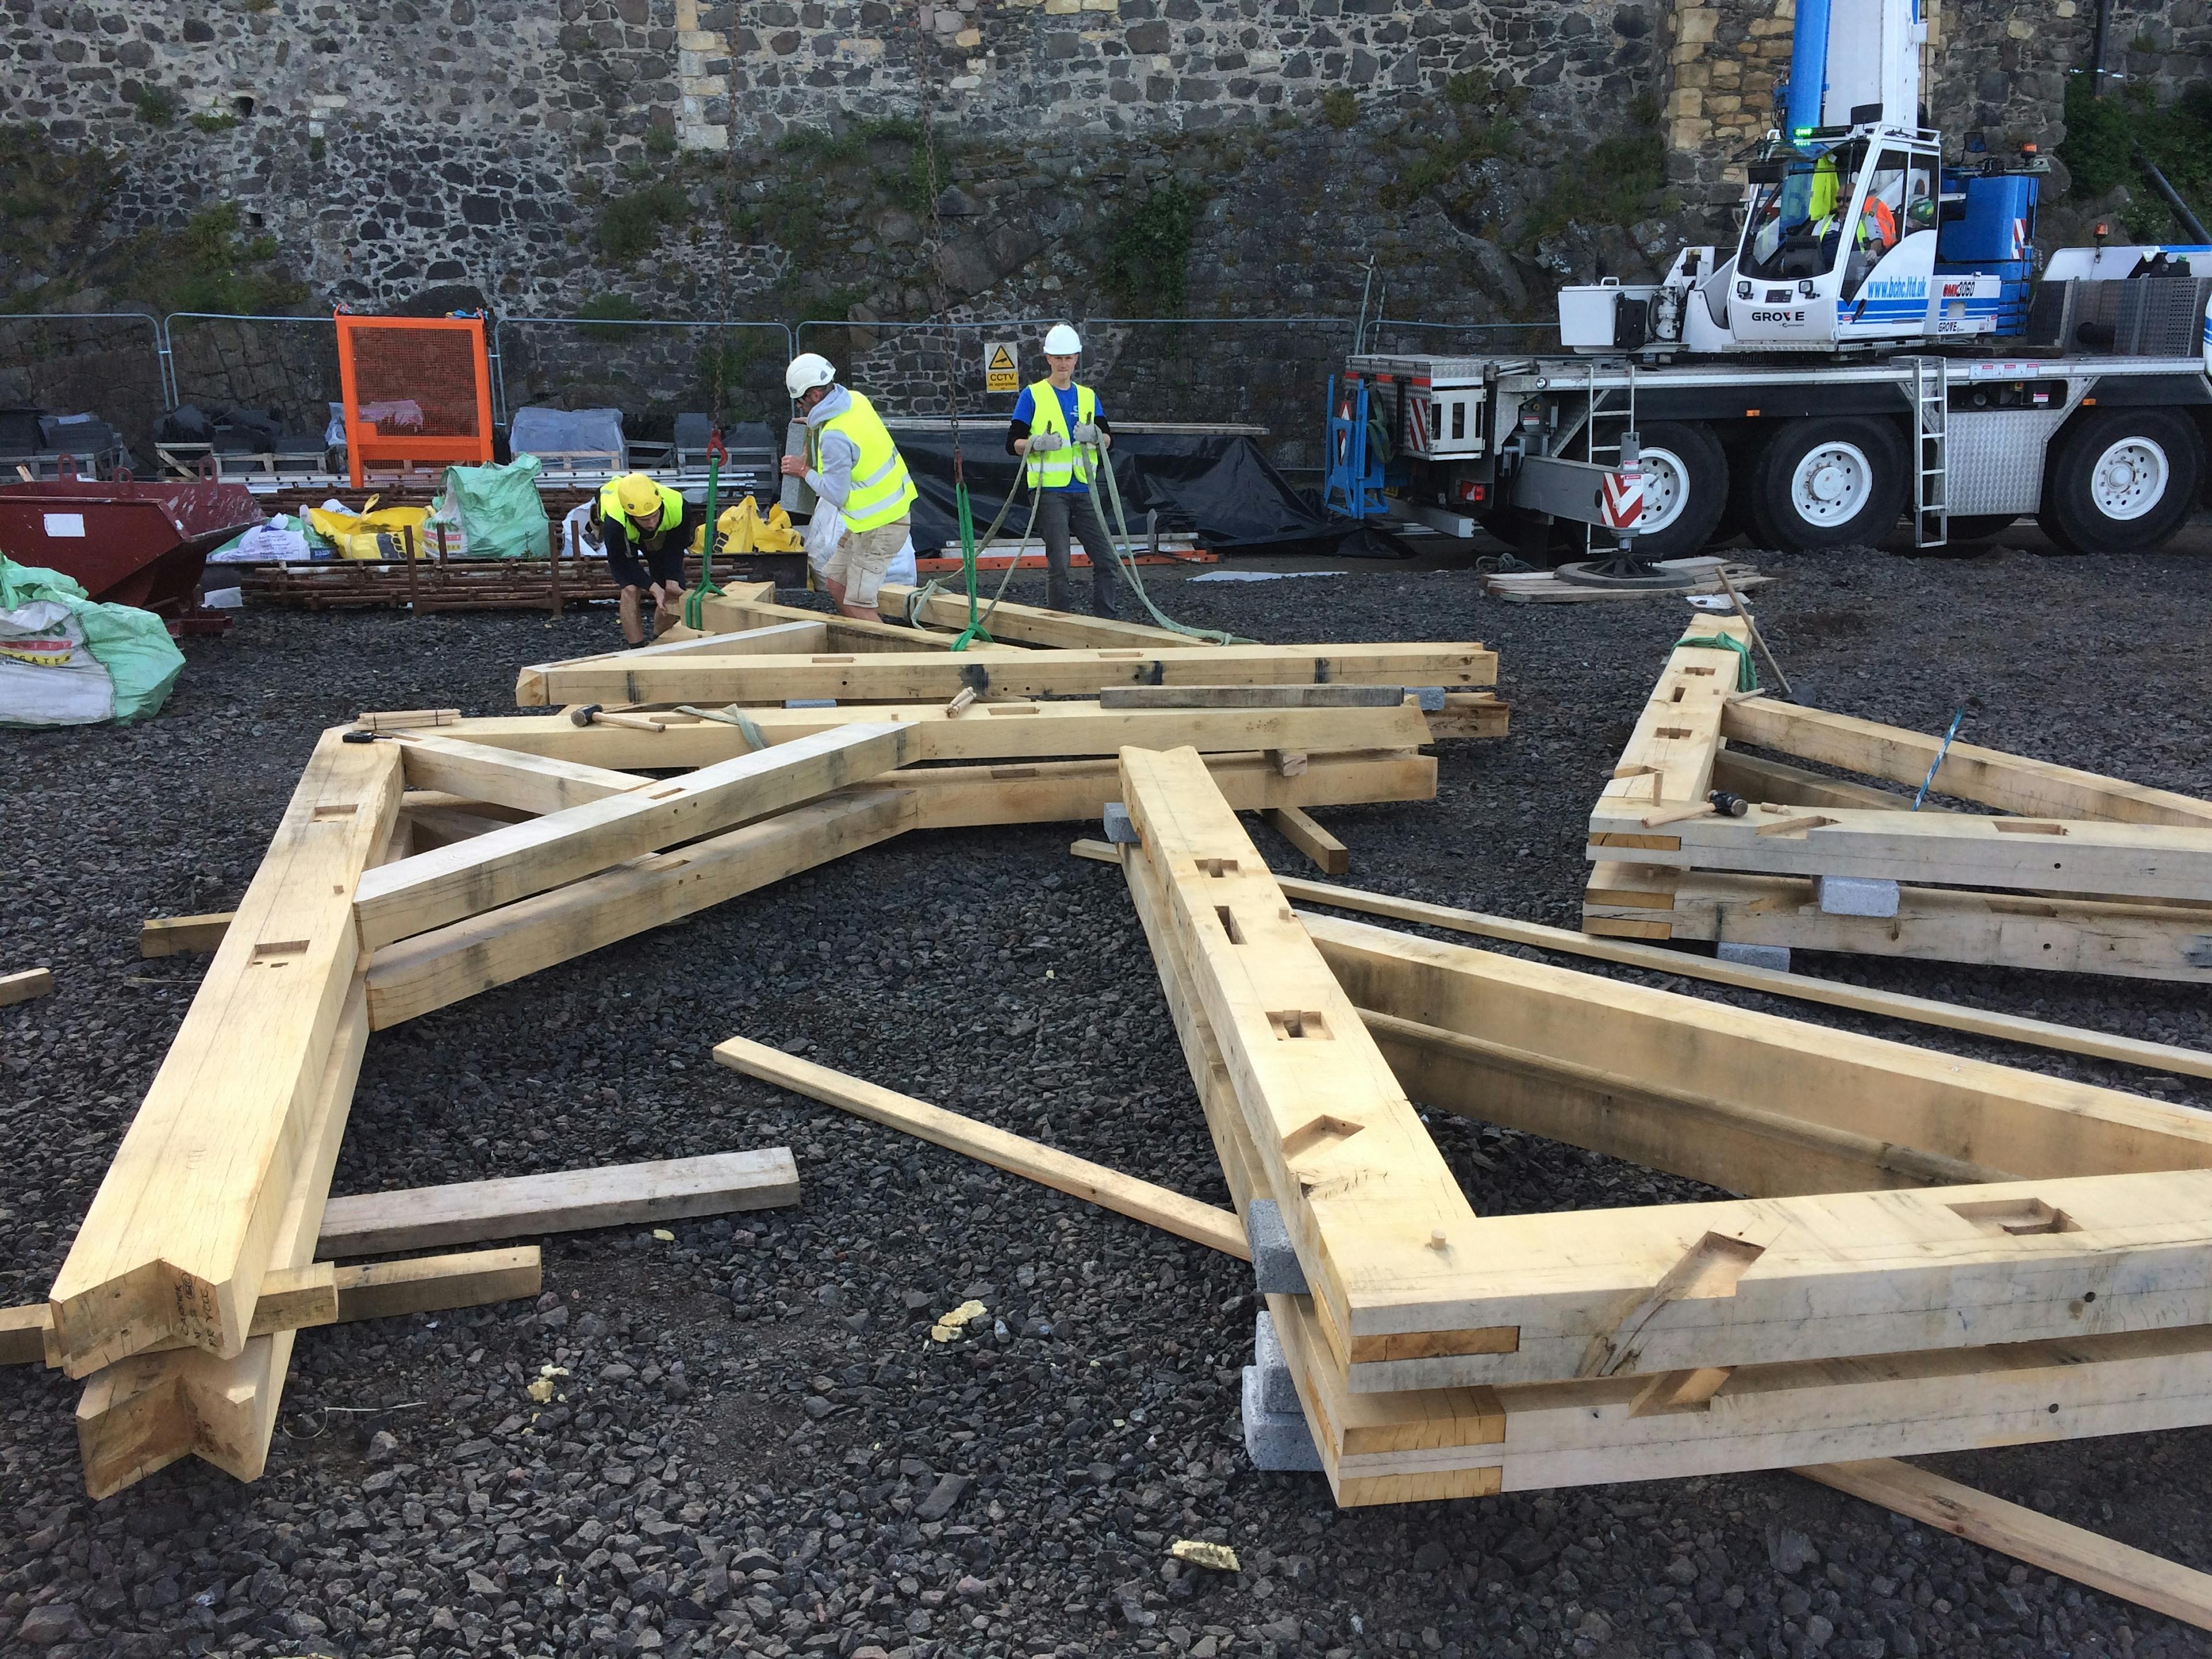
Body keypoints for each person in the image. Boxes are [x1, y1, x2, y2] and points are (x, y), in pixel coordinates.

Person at [779, 353, 918, 620]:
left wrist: (803, 471)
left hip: (881, 525)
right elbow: (845, 433)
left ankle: (887, 658)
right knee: (836, 583)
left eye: (801, 401)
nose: (800, 407)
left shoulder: (834, 436)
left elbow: (836, 494)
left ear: (816, 396)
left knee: (859, 603)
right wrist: (812, 427)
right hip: (875, 518)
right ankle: (865, 642)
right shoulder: (856, 400)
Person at [1007, 324, 1123, 618]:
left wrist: (1096, 435)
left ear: (1076, 359)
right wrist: (1036, 443)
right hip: (1049, 491)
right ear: (1048, 358)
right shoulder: (1032, 396)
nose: (1063, 363)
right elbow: (1012, 443)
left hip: (1085, 489)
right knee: (1059, 563)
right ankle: (1061, 624)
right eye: (1058, 358)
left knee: (1107, 560)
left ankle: (1105, 622)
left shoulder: (1088, 397)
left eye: (1068, 358)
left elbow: (1109, 441)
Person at [593, 472, 704, 645]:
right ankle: (636, 647)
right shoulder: (615, 521)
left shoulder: (679, 506)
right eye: (645, 519)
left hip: (661, 536)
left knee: (671, 590)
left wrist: (671, 580)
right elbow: (622, 563)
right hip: (625, 537)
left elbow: (675, 548)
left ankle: (659, 641)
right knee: (630, 588)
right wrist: (653, 588)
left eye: (654, 516)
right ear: (631, 514)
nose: (651, 523)